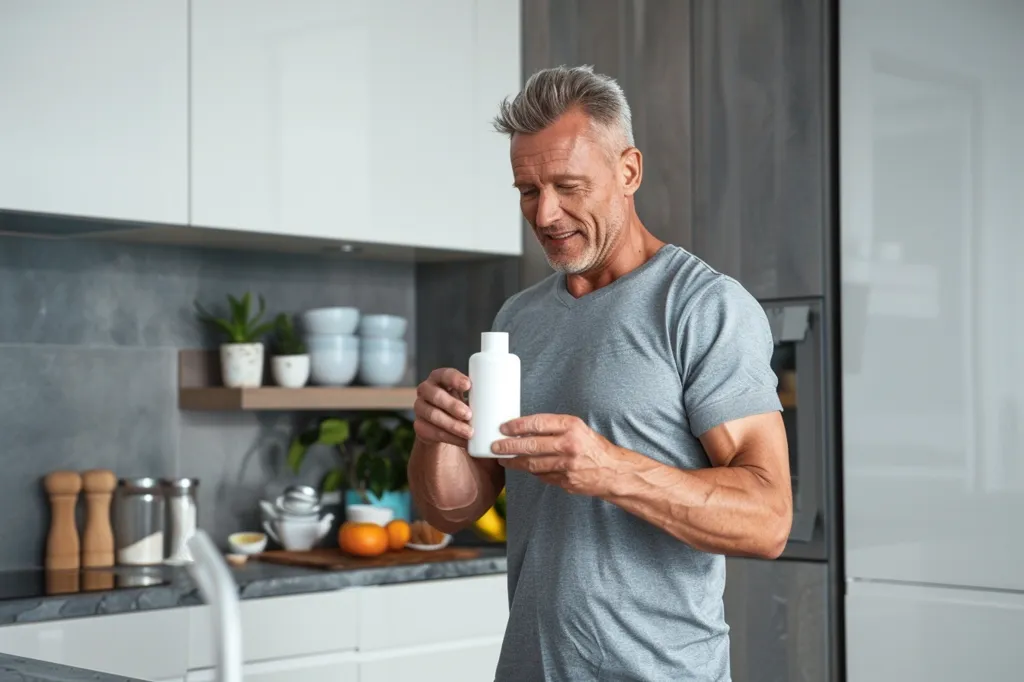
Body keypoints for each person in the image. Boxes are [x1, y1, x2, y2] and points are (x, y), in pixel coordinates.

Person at [407, 65, 793, 682]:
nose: (546, 214)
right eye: (528, 191)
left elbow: (769, 520)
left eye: (568, 186)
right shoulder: (520, 317)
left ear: (628, 171)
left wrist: (609, 469)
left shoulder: (701, 306)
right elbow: (453, 509)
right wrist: (435, 437)